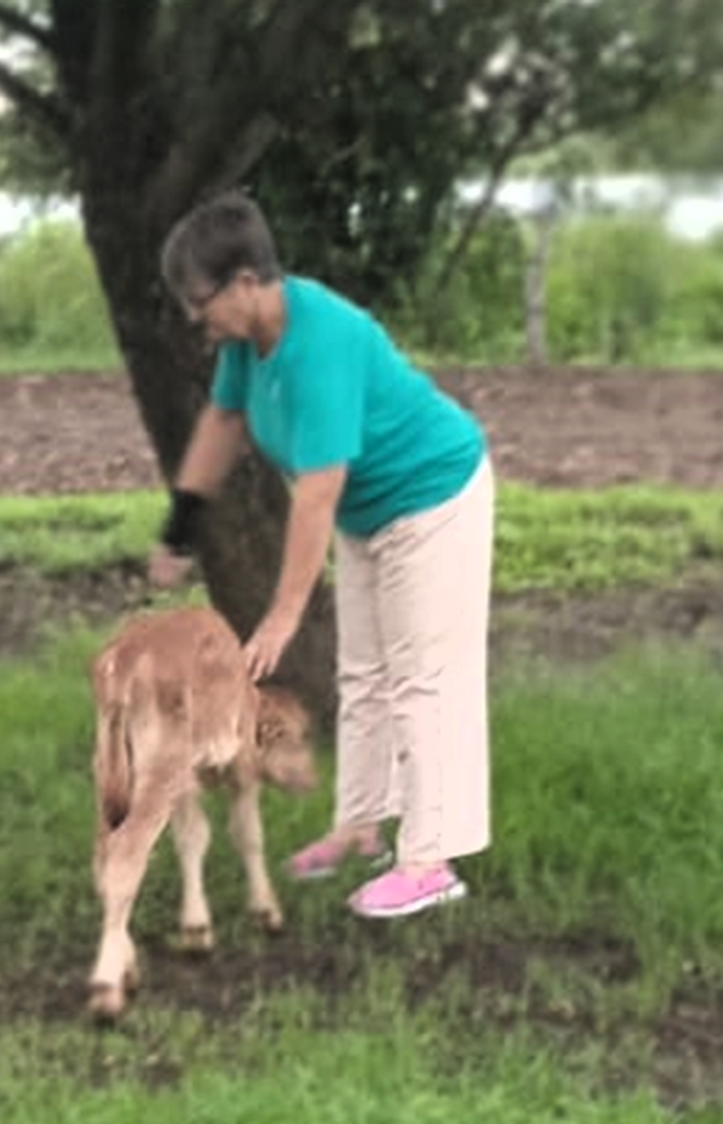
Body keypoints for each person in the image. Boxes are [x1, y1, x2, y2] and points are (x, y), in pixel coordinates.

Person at [148, 190, 495, 919]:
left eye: (200, 300)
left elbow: (315, 493)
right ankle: (359, 828)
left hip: (433, 497)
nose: (195, 318)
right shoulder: (249, 345)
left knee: (427, 680)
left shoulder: (322, 344)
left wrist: (280, 618)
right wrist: (180, 525)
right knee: (364, 672)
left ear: (246, 282)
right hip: (373, 514)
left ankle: (433, 860)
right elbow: (223, 419)